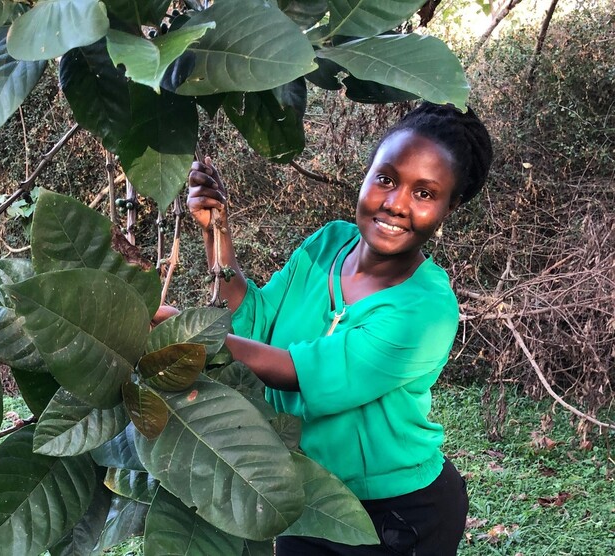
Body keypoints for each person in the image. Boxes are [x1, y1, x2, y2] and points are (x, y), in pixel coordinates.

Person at [158, 102, 493, 555]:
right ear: (367, 174)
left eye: (425, 193)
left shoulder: (426, 309)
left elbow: (296, 371)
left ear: (449, 208)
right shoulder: (328, 242)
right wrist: (215, 232)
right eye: (387, 179)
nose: (395, 204)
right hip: (305, 490)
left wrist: (183, 330)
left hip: (399, 515)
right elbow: (254, 315)